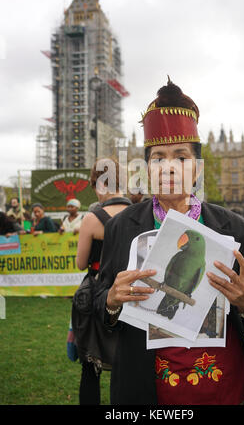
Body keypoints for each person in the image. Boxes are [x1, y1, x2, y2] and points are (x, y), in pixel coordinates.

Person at [94, 79, 244, 405]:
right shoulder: (121, 226)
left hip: (222, 383)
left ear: (196, 168)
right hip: (149, 385)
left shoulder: (233, 228)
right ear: (148, 167)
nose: (169, 167)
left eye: (181, 157)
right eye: (158, 158)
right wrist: (111, 300)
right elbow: (99, 304)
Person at [75, 156, 132, 406]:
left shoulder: (92, 218)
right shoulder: (138, 214)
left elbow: (80, 263)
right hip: (132, 296)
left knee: (91, 366)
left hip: (98, 296)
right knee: (131, 367)